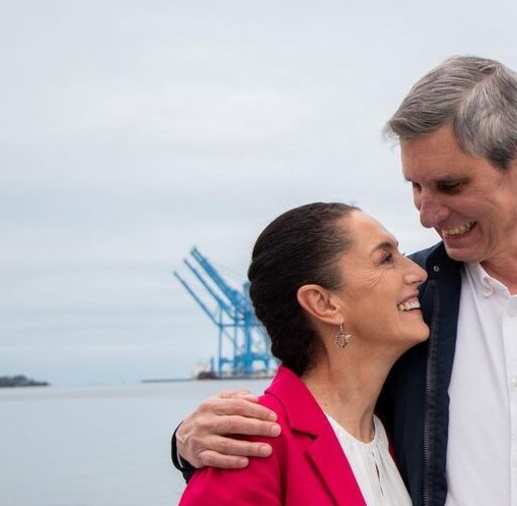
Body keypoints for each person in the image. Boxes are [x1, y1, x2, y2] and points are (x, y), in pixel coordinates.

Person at [173, 56, 517, 505]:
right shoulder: (409, 307)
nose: (427, 213)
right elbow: (316, 403)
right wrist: (188, 443)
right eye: (415, 186)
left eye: (449, 184)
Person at [178, 202, 427, 505]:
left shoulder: (396, 434)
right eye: (386, 258)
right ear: (323, 303)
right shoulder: (252, 447)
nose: (417, 272)